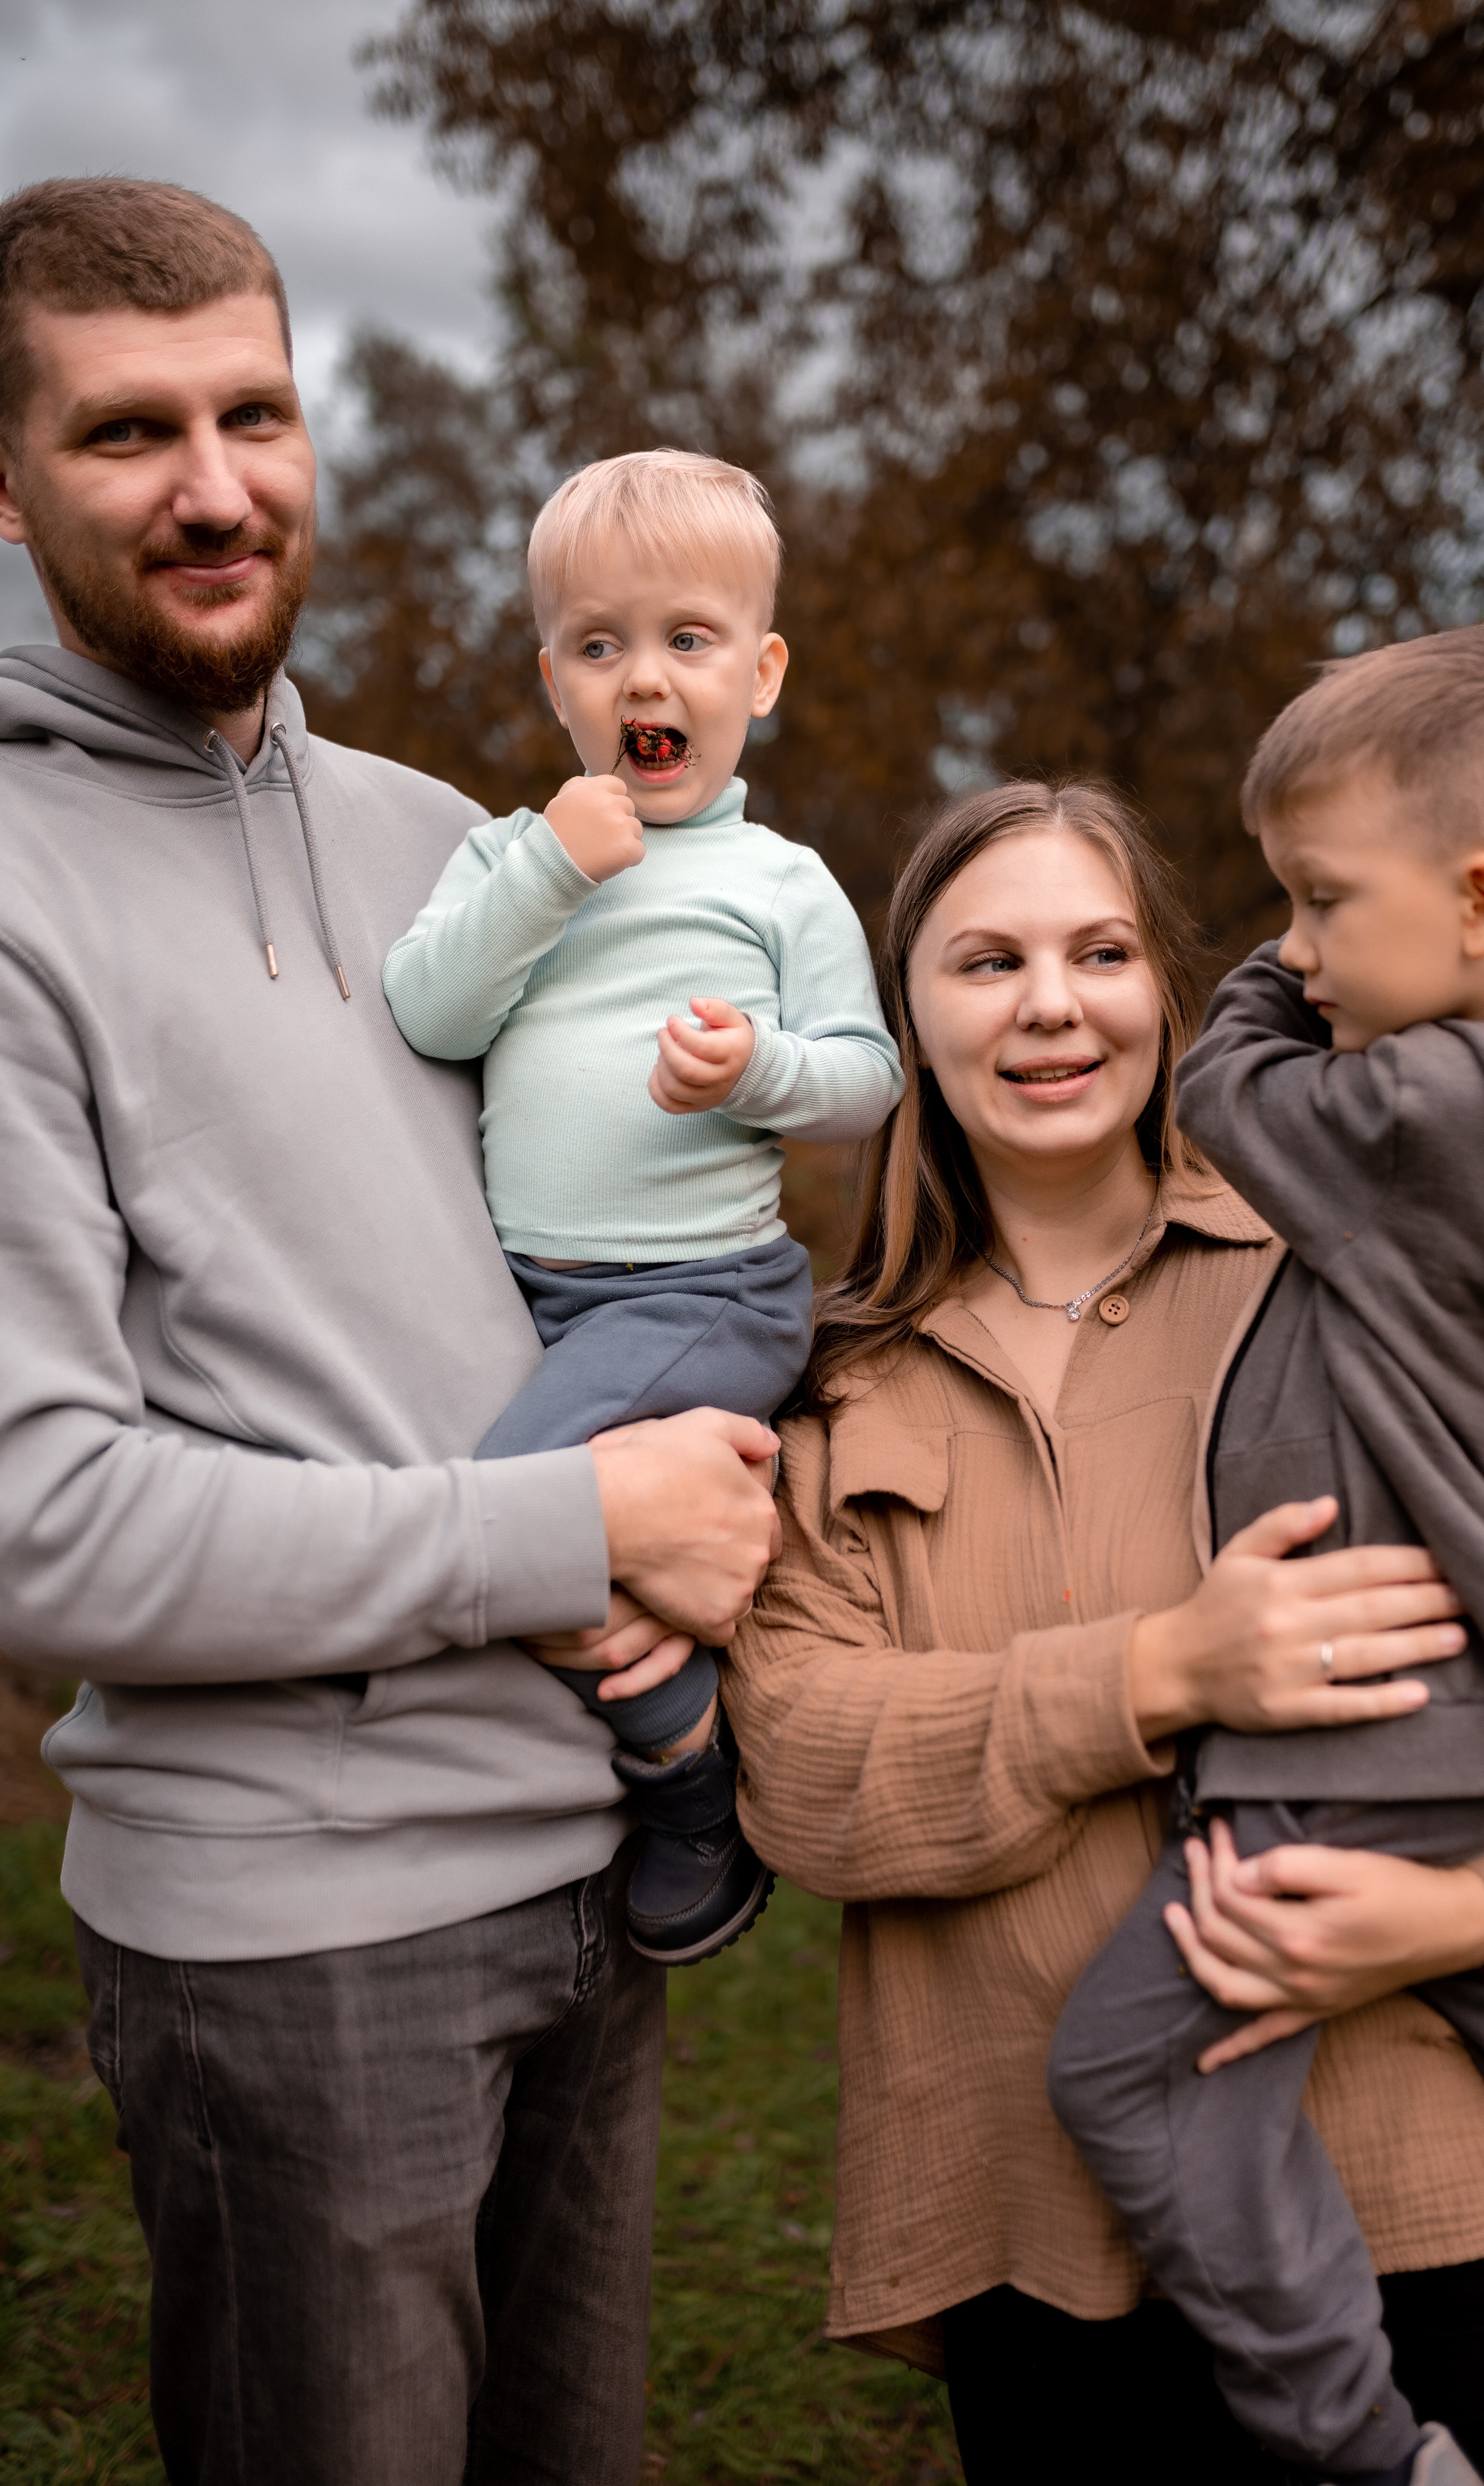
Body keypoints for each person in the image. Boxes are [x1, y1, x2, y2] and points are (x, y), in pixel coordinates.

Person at [0, 177, 778, 2486]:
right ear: (9, 475)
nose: (216, 483)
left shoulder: (450, 841)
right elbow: (43, 1525)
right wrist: (584, 1530)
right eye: (133, 431)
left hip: (593, 1883)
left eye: (255, 410)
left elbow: (595, 1269)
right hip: (289, 1955)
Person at [720, 777, 1484, 2486]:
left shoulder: (1357, 1258)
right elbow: (796, 1765)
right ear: (903, 1015)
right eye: (987, 958)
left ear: (1170, 996)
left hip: (1413, 2170)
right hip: (1027, 2213)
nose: (1049, 1004)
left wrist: (1482, 1903)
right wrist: (1160, 1670)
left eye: (1101, 952)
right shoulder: (830, 1381)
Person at [1045, 628, 1484, 2486]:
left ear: (1481, 902)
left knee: (1132, 2060)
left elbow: (1229, 1079)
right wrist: (1340, 904)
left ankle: (1374, 2485)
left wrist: (1264, 975)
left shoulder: (1411, 1108)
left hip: (1368, 1720)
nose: (1302, 942)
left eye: (1322, 897)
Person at [382, 449, 901, 1964]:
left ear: (763, 670)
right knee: (539, 1517)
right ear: (555, 680)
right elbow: (431, 1013)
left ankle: (688, 1778)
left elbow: (866, 1079)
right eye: (599, 645)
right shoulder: (510, 853)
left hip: (698, 1291)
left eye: (687, 638)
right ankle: (661, 1658)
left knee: (511, 1508)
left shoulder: (778, 880)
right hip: (530, 1294)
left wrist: (754, 1071)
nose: (643, 676)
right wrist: (549, 869)